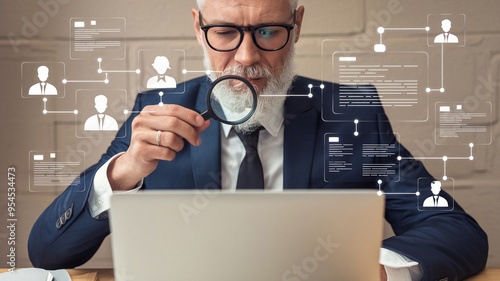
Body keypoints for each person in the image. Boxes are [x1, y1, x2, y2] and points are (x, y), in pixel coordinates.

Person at [28, 1, 488, 280]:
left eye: (268, 31)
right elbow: (47, 252)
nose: (247, 58)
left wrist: (379, 271)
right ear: (198, 27)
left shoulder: (352, 116)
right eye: (225, 32)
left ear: (297, 25)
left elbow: (458, 232)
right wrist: (122, 173)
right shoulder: (156, 115)